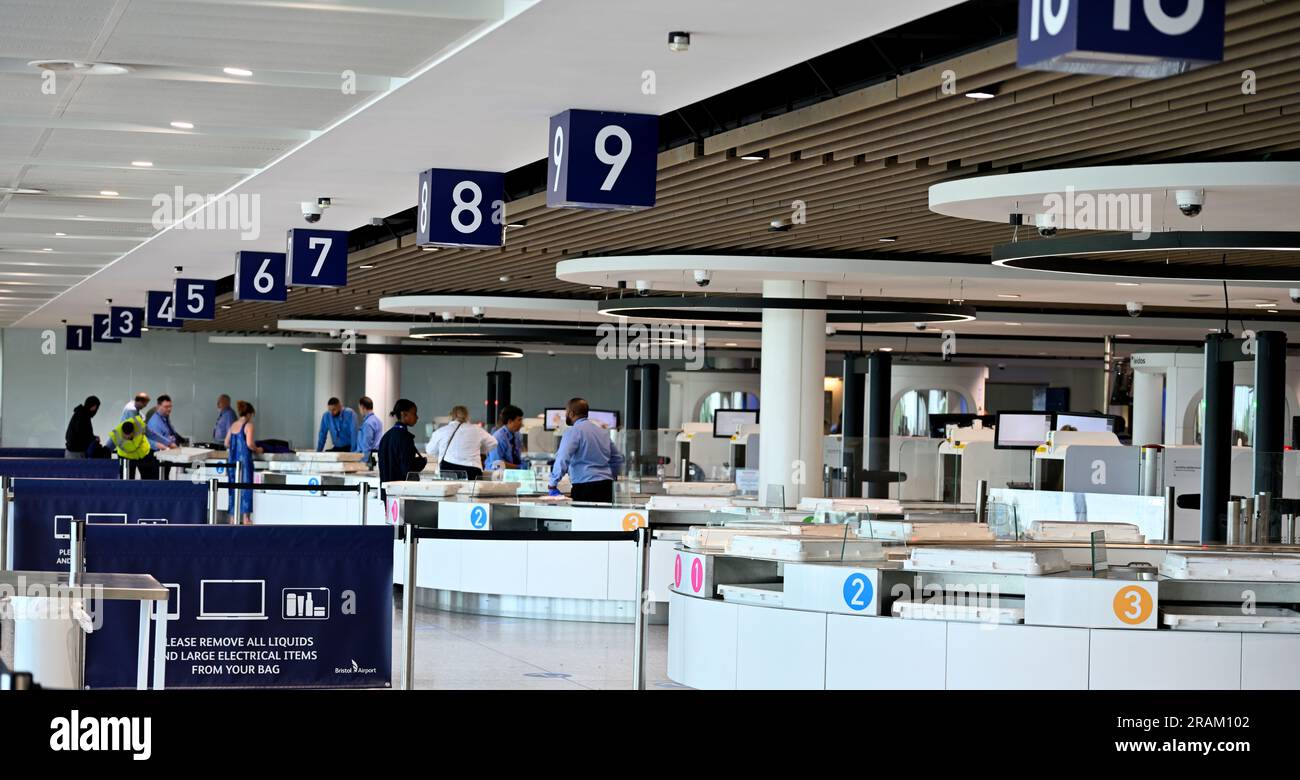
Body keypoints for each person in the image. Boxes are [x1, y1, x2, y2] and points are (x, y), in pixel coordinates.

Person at [548, 397, 624, 503]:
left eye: (566, 412)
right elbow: (617, 459)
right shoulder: (602, 432)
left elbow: (563, 457)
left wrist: (552, 484)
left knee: (584, 519)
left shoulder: (573, 432)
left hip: (585, 488)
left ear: (571, 413)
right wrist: (611, 477)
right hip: (607, 487)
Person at [426, 405, 496, 480]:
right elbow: (493, 443)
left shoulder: (441, 431)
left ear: (451, 415)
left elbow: (430, 450)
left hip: (449, 471)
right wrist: (479, 450)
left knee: (451, 491)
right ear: (467, 416)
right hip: (473, 471)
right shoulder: (477, 429)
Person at [377, 399, 426, 501]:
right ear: (404, 414)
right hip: (401, 493)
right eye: (414, 413)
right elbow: (406, 469)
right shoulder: (405, 438)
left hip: (386, 493)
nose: (417, 417)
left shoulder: (386, 436)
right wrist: (420, 464)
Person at [225, 401, 263, 524]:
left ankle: (232, 517)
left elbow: (226, 443)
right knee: (246, 487)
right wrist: (258, 449)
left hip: (232, 461)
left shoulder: (233, 425)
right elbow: (249, 444)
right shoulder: (248, 425)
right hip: (244, 461)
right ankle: (246, 518)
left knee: (232, 488)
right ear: (250, 414)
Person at [487, 405, 525, 470]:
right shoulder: (498, 438)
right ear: (510, 421)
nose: (521, 424)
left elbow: (517, 457)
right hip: (497, 474)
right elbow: (497, 464)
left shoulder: (517, 435)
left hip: (512, 472)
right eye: (519, 420)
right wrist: (518, 467)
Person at [353, 396, 383, 466]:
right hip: (376, 456)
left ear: (363, 407)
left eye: (359, 408)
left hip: (368, 459)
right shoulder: (378, 421)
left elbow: (366, 445)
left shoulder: (368, 423)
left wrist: (363, 463)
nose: (359, 411)